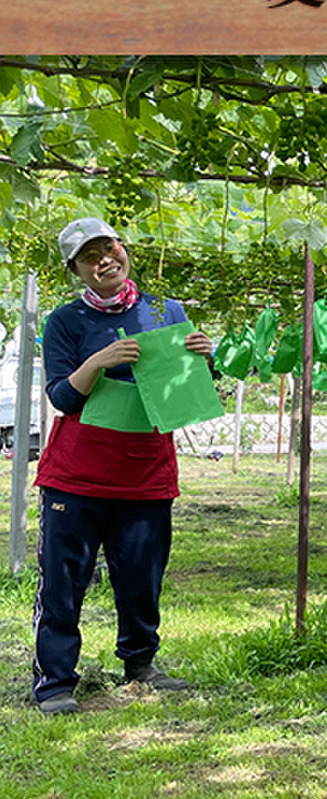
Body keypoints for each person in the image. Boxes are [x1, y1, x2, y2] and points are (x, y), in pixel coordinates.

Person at [32, 218, 213, 716]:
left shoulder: (164, 311)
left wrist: (203, 358)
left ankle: (141, 664)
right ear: (75, 270)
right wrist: (98, 361)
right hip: (77, 475)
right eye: (89, 257)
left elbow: (181, 390)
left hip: (146, 471)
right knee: (64, 581)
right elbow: (62, 397)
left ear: (122, 248)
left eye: (108, 248)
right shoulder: (65, 321)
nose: (104, 261)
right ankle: (55, 682)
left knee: (141, 577)